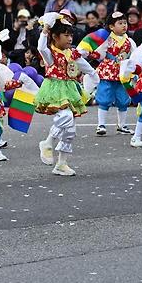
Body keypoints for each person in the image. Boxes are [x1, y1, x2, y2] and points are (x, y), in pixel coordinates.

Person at [33, 14, 98, 176]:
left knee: (70, 130)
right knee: (66, 117)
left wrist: (95, 76)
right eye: (66, 35)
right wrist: (45, 30)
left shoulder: (72, 53)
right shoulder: (50, 54)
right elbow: (41, 48)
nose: (70, 38)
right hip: (55, 88)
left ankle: (62, 164)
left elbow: (85, 66)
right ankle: (47, 142)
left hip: (71, 88)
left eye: (71, 35)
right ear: (55, 37)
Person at [90, 11, 135, 137]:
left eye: (125, 23)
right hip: (108, 72)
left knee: (123, 99)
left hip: (123, 73)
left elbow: (135, 55)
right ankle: (101, 125)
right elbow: (100, 53)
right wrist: (94, 54)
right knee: (104, 98)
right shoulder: (107, 39)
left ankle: (122, 125)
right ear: (111, 26)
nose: (124, 26)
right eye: (120, 23)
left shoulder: (129, 41)